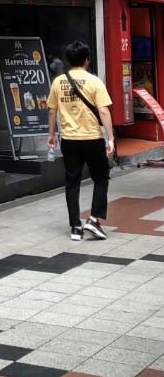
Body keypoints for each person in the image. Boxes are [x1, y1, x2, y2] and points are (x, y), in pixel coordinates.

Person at [46, 40, 114, 242]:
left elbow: (52, 110)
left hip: (69, 140)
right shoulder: (94, 81)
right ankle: (93, 219)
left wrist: (51, 135)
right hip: (92, 138)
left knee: (72, 182)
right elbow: (103, 110)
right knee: (101, 179)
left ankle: (75, 227)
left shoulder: (58, 82)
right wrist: (110, 138)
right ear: (86, 60)